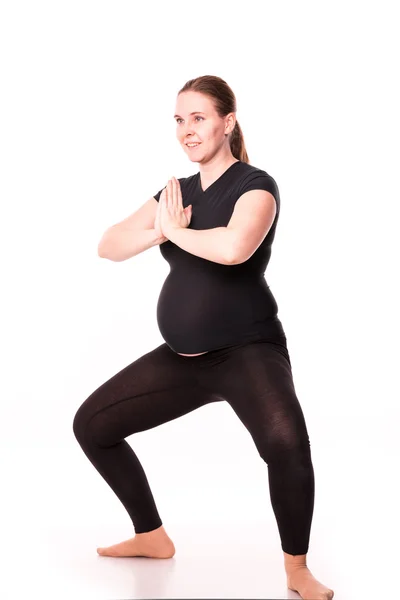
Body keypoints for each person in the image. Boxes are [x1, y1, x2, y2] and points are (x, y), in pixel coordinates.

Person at [72, 75, 334, 600]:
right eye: (178, 119)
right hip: (182, 360)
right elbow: (109, 245)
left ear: (227, 122)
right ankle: (152, 536)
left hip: (247, 351)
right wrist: (160, 229)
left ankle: (297, 568)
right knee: (92, 425)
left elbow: (234, 247)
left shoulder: (256, 185)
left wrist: (173, 232)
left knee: (285, 444)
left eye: (198, 118)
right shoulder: (177, 194)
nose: (186, 130)